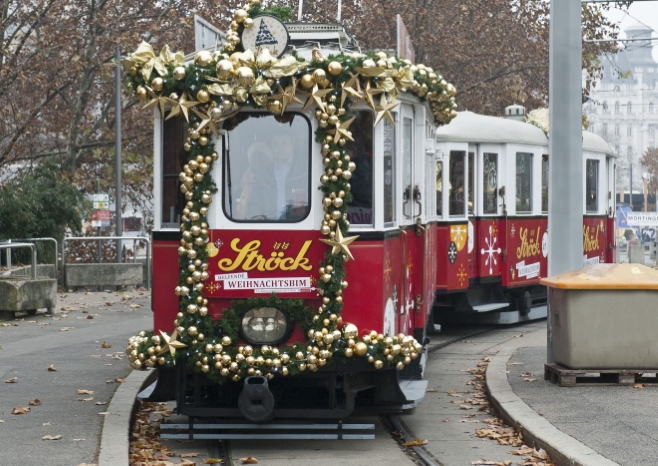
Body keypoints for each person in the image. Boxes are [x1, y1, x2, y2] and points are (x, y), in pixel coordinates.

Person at [247, 133, 308, 221]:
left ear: (292, 144)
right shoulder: (261, 174)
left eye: (284, 143)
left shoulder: (307, 168)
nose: (280, 148)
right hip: (269, 227)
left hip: (299, 225)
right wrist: (256, 216)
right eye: (276, 144)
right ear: (271, 147)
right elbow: (254, 203)